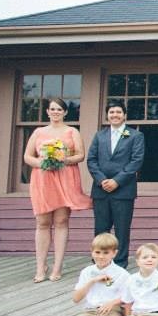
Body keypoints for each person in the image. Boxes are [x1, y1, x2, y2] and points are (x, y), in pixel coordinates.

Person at [23, 97, 92, 283]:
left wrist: (63, 159)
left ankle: (57, 266)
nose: (55, 112)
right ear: (47, 112)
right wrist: (42, 162)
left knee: (61, 220)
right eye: (52, 109)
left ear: (65, 112)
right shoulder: (38, 132)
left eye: (59, 109)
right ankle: (40, 267)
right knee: (42, 222)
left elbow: (80, 155)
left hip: (65, 177)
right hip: (43, 178)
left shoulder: (72, 131)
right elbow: (27, 156)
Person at [87, 101, 145, 269]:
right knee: (100, 229)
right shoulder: (99, 136)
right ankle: (100, 262)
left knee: (122, 229)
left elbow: (136, 161)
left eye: (118, 112)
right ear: (107, 115)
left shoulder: (135, 136)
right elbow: (91, 160)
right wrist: (102, 180)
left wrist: (117, 181)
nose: (115, 115)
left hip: (124, 191)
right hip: (101, 190)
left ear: (124, 114)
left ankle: (119, 264)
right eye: (111, 112)